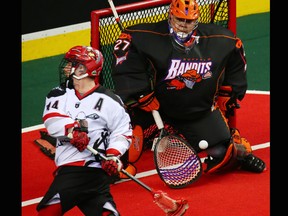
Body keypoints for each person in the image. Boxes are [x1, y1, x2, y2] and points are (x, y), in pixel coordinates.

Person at [111, 0, 266, 175]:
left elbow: (236, 53)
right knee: (126, 133)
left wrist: (229, 90)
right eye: (179, 19)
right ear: (170, 16)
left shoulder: (219, 40)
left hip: (195, 110)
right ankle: (117, 162)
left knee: (222, 153)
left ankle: (239, 154)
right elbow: (125, 57)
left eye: (189, 21)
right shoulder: (145, 36)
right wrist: (140, 93)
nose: (184, 25)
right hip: (155, 107)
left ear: (196, 20)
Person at [36, 45, 133, 216]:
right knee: (104, 211)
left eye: (72, 63)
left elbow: (122, 132)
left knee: (47, 212)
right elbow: (51, 120)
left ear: (84, 69)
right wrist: (73, 131)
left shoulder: (111, 100)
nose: (66, 67)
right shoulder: (58, 94)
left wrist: (113, 156)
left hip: (80, 168)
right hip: (81, 170)